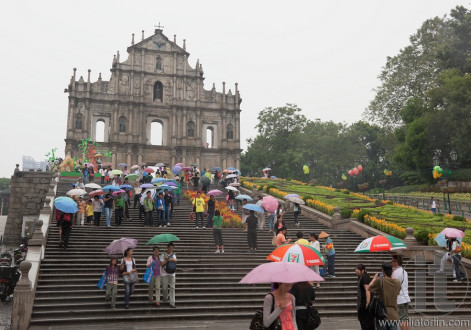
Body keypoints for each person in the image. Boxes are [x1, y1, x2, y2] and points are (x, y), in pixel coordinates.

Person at [368, 262, 401, 330]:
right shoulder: (397, 282)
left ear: (383, 270)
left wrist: (375, 278)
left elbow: (369, 288)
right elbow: (397, 293)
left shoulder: (380, 280)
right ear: (391, 271)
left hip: (381, 313)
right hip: (393, 314)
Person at [391, 255, 411, 330]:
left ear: (396, 262)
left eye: (392, 261)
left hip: (400, 299)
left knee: (401, 320)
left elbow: (393, 286)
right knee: (405, 319)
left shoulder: (395, 273)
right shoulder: (404, 271)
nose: (391, 262)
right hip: (406, 297)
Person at [355, 264, 374, 330]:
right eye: (356, 269)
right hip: (363, 302)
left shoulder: (364, 277)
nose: (356, 270)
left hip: (365, 303)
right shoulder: (362, 277)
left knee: (365, 323)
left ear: (362, 270)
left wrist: (367, 303)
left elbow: (367, 290)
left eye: (357, 269)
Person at [160, 243, 177, 308]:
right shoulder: (162, 255)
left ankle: (172, 302)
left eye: (172, 248)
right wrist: (166, 259)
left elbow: (176, 260)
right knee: (164, 288)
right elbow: (161, 264)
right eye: (170, 248)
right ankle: (165, 296)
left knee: (172, 287)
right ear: (167, 248)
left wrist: (170, 258)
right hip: (164, 273)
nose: (171, 249)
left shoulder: (173, 255)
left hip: (172, 273)